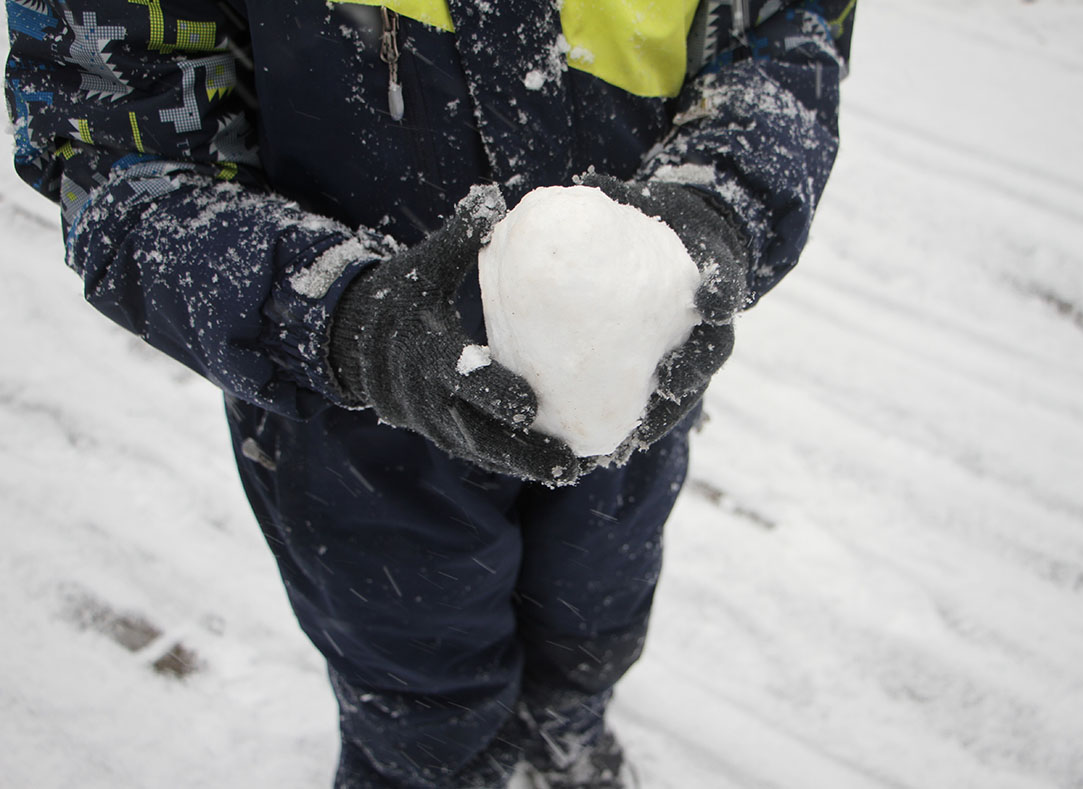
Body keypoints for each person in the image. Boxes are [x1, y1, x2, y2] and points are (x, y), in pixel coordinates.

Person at [5, 0, 854, 786]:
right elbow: (114, 152)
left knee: (591, 623)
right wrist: (342, 318)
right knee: (417, 687)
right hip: (350, 422)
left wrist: (718, 207)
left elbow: (790, 29)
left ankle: (563, 744)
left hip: (633, 379)